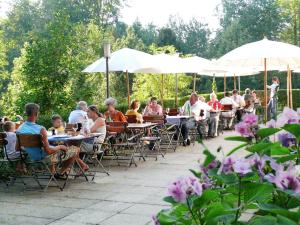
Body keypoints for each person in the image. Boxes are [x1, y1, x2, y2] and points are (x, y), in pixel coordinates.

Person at [17, 103, 89, 175]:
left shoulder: (20, 128)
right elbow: (48, 151)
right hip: (46, 159)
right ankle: (60, 172)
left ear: (26, 113)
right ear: (37, 113)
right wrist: (60, 147)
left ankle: (55, 172)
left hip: (29, 158)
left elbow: (17, 148)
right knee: (76, 149)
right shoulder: (41, 129)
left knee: (54, 147)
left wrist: (30, 149)